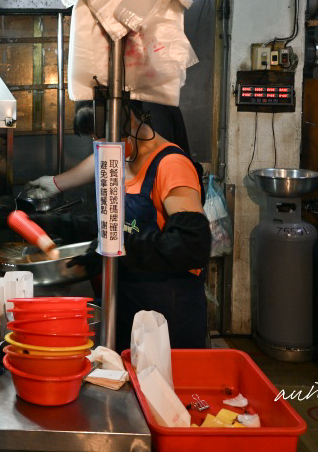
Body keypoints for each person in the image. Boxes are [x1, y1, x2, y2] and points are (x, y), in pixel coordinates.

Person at [22, 99, 210, 351]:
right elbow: (118, 226)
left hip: (167, 317)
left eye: (101, 136)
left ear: (127, 122)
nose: (98, 144)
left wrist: (119, 249)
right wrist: (55, 224)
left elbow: (191, 246)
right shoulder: (123, 161)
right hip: (129, 306)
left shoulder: (171, 165)